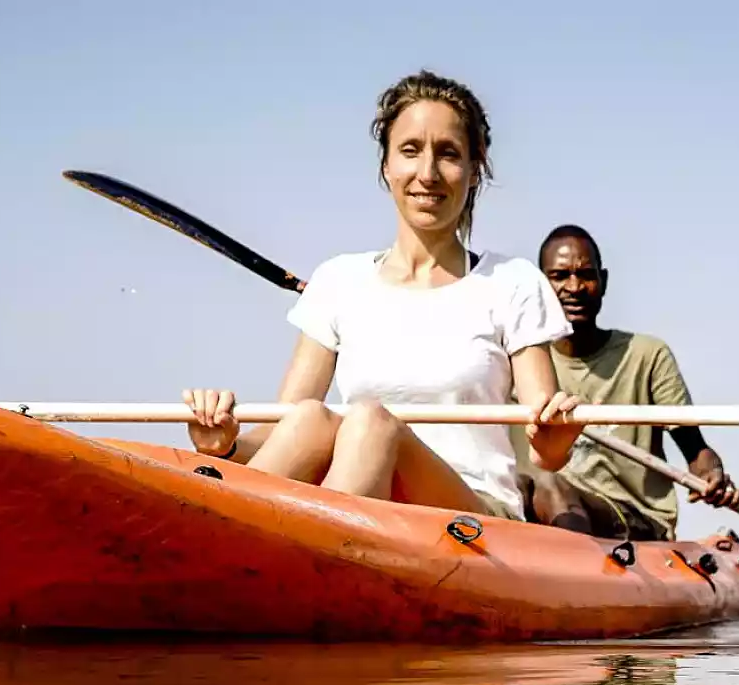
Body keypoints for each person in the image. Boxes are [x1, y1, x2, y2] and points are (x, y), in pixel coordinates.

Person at [182, 71, 583, 522]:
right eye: (410, 151)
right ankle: (216, 537)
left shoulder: (513, 281)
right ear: (387, 166)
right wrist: (227, 442)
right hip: (361, 503)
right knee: (312, 418)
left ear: (475, 171)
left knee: (370, 422)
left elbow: (545, 443)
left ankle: (283, 550)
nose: (427, 174)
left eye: (448, 154)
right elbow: (283, 426)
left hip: (475, 519)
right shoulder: (337, 279)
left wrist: (551, 447)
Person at [516, 225, 739, 541]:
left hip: (635, 518)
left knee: (550, 485)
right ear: (541, 286)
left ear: (603, 281)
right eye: (559, 276)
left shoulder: (647, 355)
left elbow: (696, 452)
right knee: (514, 484)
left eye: (586, 275)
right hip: (542, 512)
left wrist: (712, 476)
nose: (574, 286)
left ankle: (580, 575)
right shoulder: (519, 360)